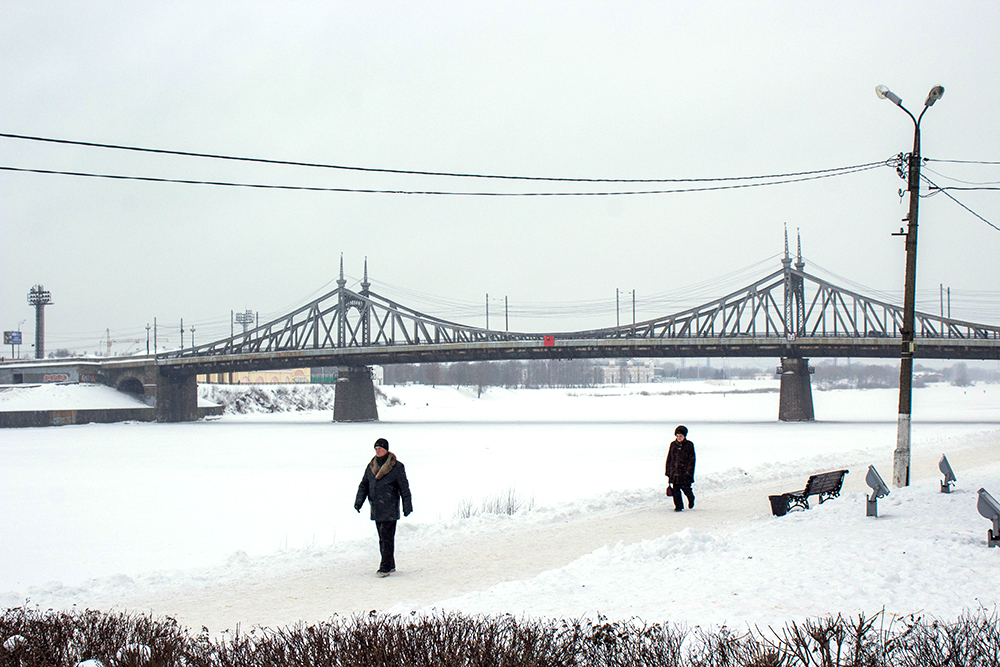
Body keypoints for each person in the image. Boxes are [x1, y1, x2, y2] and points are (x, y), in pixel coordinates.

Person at [354, 437, 412, 577]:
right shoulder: (371, 466)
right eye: (376, 449)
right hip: (376, 507)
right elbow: (364, 485)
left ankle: (385, 565)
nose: (377, 451)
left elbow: (404, 487)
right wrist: (359, 501)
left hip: (390, 506)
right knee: (382, 536)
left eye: (380, 448)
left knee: (387, 536)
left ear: (386, 449)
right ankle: (390, 563)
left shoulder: (396, 467)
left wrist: (407, 505)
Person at [665, 425, 696, 512]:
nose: (679, 438)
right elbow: (669, 459)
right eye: (677, 436)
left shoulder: (689, 445)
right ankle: (678, 506)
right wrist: (668, 471)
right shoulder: (673, 445)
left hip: (685, 472)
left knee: (686, 489)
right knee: (675, 490)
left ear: (684, 436)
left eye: (681, 436)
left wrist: (689, 472)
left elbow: (692, 460)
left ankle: (691, 498)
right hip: (674, 472)